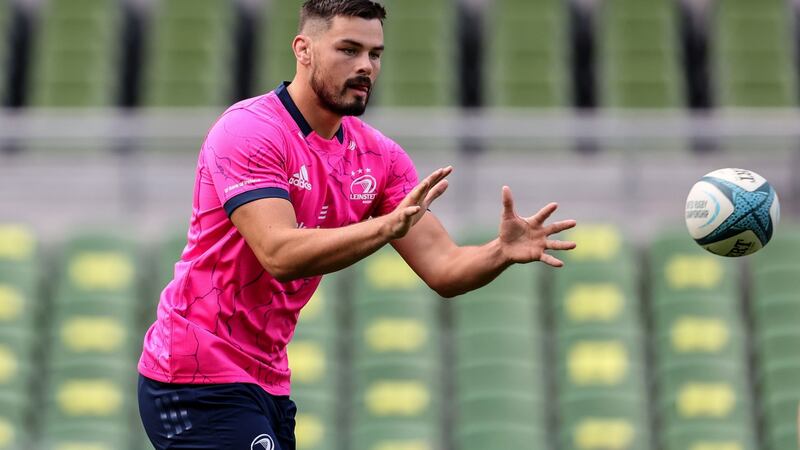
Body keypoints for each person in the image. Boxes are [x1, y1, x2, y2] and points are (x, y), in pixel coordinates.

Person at [137, 1, 577, 449]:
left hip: (266, 379)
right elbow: (279, 255)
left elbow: (444, 268)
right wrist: (384, 228)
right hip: (192, 373)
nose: (366, 66)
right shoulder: (250, 130)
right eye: (349, 50)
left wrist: (500, 252)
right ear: (303, 50)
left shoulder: (380, 157)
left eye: (375, 54)